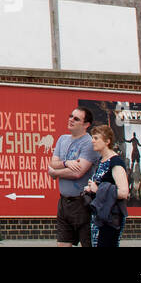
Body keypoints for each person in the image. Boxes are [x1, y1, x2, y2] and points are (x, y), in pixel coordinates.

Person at [48, 106, 96, 247]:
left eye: (76, 119)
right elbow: (52, 163)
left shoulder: (89, 143)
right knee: (62, 244)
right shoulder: (62, 139)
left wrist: (55, 173)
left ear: (86, 124)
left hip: (83, 203)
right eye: (70, 116)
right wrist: (66, 162)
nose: (71, 120)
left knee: (88, 243)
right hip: (64, 202)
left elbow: (78, 172)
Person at [83, 124, 130, 248]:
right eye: (92, 137)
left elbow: (124, 192)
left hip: (111, 218)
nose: (92, 141)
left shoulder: (115, 162)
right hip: (100, 216)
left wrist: (98, 190)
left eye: (96, 138)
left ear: (107, 141)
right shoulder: (101, 161)